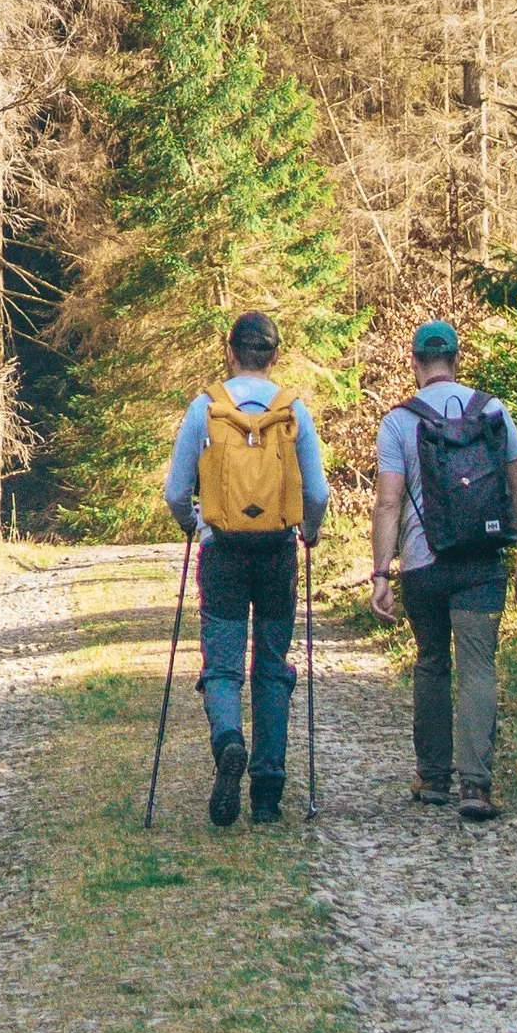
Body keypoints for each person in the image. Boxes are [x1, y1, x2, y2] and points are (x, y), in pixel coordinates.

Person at [163, 308, 329, 826]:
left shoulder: (205, 410)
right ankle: (268, 792)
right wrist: (310, 529)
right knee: (273, 667)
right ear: (275, 356)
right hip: (277, 551)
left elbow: (174, 491)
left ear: (230, 352)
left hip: (224, 553)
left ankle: (229, 740)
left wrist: (194, 521)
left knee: (223, 665)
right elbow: (318, 492)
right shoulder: (292, 411)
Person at [370, 318, 517, 822]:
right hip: (482, 562)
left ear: (415, 362)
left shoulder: (399, 421)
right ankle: (476, 787)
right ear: (458, 359)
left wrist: (382, 572)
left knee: (431, 662)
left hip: (424, 566)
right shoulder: (493, 411)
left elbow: (388, 503)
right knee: (479, 666)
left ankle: (433, 778)